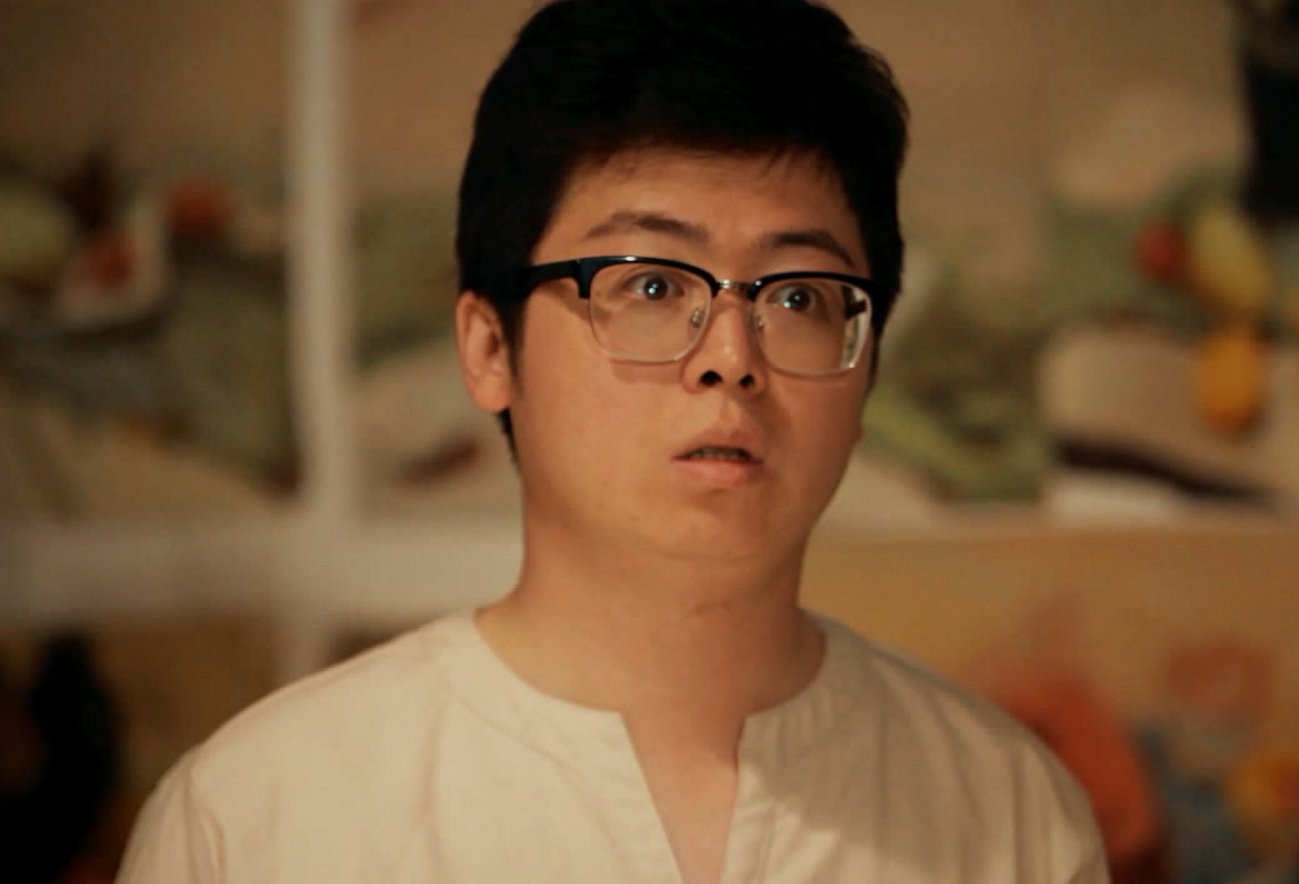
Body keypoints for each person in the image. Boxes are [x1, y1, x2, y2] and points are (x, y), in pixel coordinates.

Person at [117, 1, 1108, 881]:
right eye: (651, 285)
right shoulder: (264, 817)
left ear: (868, 368)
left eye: (799, 296)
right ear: (489, 347)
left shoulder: (1005, 815)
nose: (731, 357)